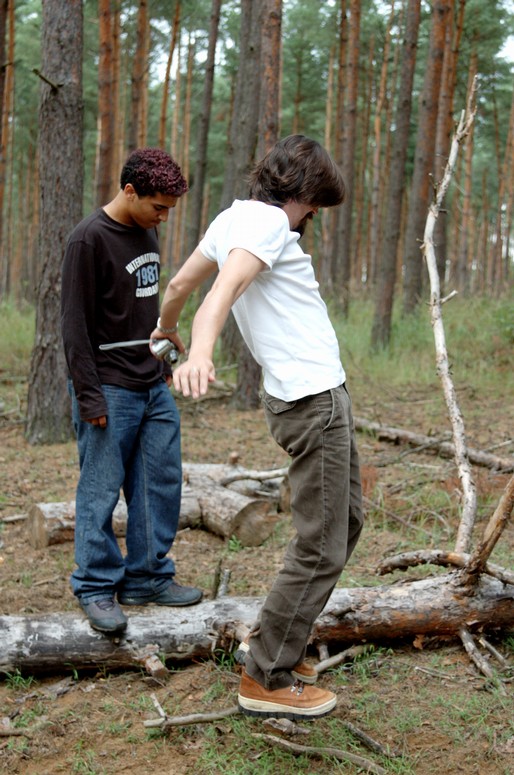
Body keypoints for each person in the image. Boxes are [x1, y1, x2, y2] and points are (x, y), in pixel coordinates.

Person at [150, 135, 364, 719]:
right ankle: (267, 674)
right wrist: (198, 352)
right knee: (323, 543)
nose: (312, 216)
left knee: (345, 523)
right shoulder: (269, 221)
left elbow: (179, 286)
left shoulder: (232, 219)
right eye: (314, 204)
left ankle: (274, 642)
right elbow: (221, 292)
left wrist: (165, 326)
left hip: (313, 396)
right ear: (300, 191)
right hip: (312, 400)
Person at [61, 147, 203, 636]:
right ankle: (96, 586)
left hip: (151, 382)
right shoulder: (88, 240)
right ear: (129, 191)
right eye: (158, 207)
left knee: (159, 482)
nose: (164, 217)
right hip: (108, 387)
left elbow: (144, 307)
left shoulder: (148, 230)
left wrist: (164, 349)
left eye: (169, 209)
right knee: (100, 490)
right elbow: (74, 326)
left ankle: (147, 577)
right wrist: (89, 396)